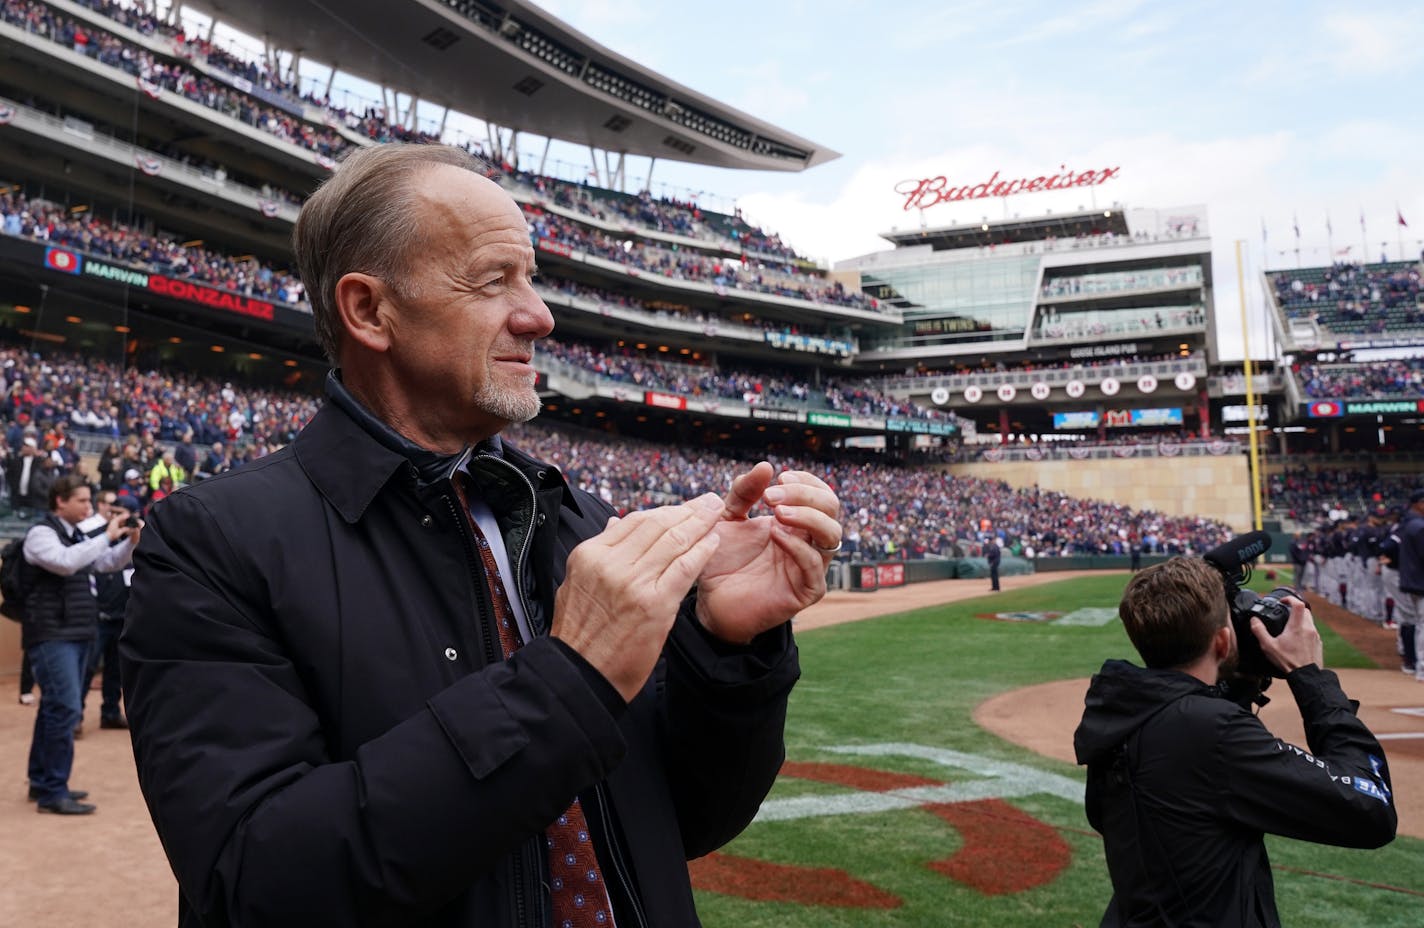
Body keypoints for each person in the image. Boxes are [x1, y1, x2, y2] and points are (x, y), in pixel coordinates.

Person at [122, 143, 842, 927]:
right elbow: (254, 882)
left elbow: (689, 821)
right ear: (369, 310)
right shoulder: (210, 542)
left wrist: (724, 650)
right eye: (494, 280)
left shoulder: (578, 517)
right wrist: (568, 679)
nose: (539, 315)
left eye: (530, 279)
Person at [1073, 557, 1396, 926]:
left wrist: (1239, 681)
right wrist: (1311, 677)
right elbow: (1372, 807)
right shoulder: (1214, 733)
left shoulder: (1122, 711)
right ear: (1224, 640)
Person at [23, 474, 141, 815]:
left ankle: (42, 782)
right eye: (83, 501)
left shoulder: (74, 536)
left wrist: (130, 540)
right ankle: (53, 791)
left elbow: (105, 563)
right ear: (61, 501)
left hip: (73, 632)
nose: (90, 508)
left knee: (52, 710)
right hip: (51, 633)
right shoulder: (41, 534)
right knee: (66, 708)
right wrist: (106, 534)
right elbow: (66, 562)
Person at [79, 489, 132, 730]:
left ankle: (110, 712)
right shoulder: (94, 533)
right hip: (97, 613)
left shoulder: (134, 536)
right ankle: (75, 716)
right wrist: (110, 531)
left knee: (116, 670)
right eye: (114, 509)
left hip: (123, 613)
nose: (118, 515)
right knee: (87, 666)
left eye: (122, 511)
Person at [1393, 488, 1424, 683]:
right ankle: (1421, 668)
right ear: (1419, 503)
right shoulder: (1418, 525)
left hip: (1413, 581)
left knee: (1418, 623)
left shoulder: (1408, 524)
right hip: (1420, 581)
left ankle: (1417, 664)